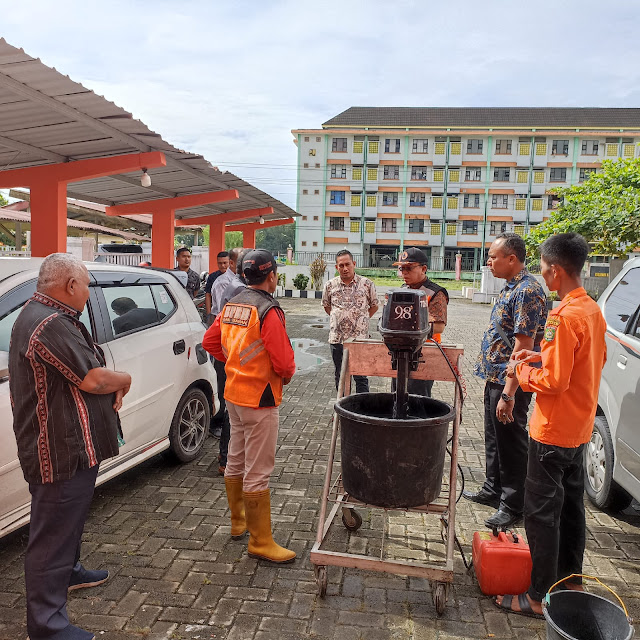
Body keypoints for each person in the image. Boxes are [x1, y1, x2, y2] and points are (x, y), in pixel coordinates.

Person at [9, 253, 131, 640]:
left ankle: (71, 571)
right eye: (87, 285)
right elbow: (92, 379)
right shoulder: (48, 323)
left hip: (72, 443)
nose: (89, 292)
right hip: (58, 449)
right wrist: (124, 378)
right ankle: (46, 626)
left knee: (69, 523)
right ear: (70, 285)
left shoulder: (46, 314)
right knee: (51, 536)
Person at [495, 232, 606, 618]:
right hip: (580, 427)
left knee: (541, 514)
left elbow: (555, 381)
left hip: (552, 430)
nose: (542, 276)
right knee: (572, 507)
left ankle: (538, 597)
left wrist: (521, 368)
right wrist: (540, 353)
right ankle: (570, 579)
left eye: (543, 269)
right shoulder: (591, 309)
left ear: (556, 271)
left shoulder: (562, 315)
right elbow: (585, 361)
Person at [203, 249, 297, 564]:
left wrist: (235, 362)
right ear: (272, 276)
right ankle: (260, 541)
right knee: (258, 471)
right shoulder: (268, 310)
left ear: (245, 274)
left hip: (233, 394)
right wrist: (280, 372)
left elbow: (210, 342)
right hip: (260, 398)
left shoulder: (232, 304)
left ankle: (238, 523)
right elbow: (284, 362)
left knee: (236, 460)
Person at [465, 233, 547, 529]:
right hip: (495, 376)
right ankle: (493, 488)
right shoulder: (511, 287)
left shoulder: (527, 291)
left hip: (510, 380)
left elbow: (524, 347)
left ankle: (513, 504)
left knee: (511, 441)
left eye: (493, 256)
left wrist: (509, 394)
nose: (488, 262)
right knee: (494, 436)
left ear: (512, 258)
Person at [394, 247, 448, 397]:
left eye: (409, 268)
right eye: (401, 268)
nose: (404, 273)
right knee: (396, 396)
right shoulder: (403, 289)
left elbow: (438, 326)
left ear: (423, 268)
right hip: (399, 353)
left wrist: (409, 328)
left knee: (419, 400)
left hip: (424, 354)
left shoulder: (435, 293)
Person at [322, 250, 378, 393]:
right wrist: (339, 317)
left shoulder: (367, 284)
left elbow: (374, 305)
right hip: (337, 339)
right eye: (341, 265)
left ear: (354, 264)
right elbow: (327, 306)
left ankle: (362, 409)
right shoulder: (330, 285)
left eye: (348, 264)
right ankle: (343, 408)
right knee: (340, 375)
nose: (345, 268)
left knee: (361, 376)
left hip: (359, 340)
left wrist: (360, 319)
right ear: (336, 267)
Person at [208, 248, 243, 442]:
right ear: (232, 263)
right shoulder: (225, 283)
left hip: (233, 341)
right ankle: (217, 423)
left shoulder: (239, 282)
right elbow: (224, 314)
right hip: (226, 338)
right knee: (223, 384)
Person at [204, 251, 230, 324]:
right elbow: (208, 294)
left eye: (225, 263)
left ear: (230, 263)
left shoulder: (234, 277)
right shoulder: (212, 277)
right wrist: (209, 314)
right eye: (220, 263)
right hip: (216, 312)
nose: (222, 266)